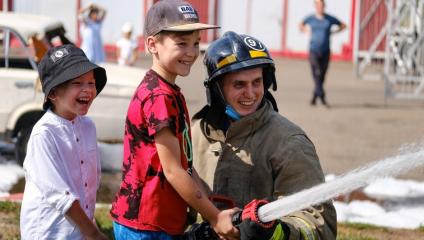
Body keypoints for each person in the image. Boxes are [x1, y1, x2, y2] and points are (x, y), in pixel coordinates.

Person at [110, 1, 239, 239]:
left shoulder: (167, 91)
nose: (191, 52)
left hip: (159, 221)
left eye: (196, 43)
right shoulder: (159, 96)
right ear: (152, 44)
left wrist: (209, 203)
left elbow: (185, 165)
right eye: (181, 43)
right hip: (146, 225)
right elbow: (173, 170)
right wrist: (214, 217)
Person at [192, 31, 337, 240]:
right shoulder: (197, 134)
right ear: (217, 89)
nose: (250, 93)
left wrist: (277, 233)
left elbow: (318, 224)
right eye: (239, 84)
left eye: (257, 82)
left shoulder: (288, 142)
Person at [20, 44, 108, 239]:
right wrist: (93, 233)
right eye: (77, 83)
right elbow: (60, 196)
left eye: (91, 82)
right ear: (53, 94)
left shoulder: (88, 127)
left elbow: (92, 180)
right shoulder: (44, 134)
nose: (87, 90)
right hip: (49, 232)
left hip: (80, 231)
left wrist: (88, 224)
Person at [299, 0, 346, 106]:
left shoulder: (329, 19)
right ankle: (322, 96)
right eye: (318, 5)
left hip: (325, 51)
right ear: (315, 7)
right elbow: (300, 24)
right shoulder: (311, 18)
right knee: (316, 73)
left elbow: (343, 25)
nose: (320, 8)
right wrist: (306, 30)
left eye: (322, 5)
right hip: (313, 50)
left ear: (324, 6)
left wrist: (334, 32)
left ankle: (315, 97)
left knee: (322, 76)